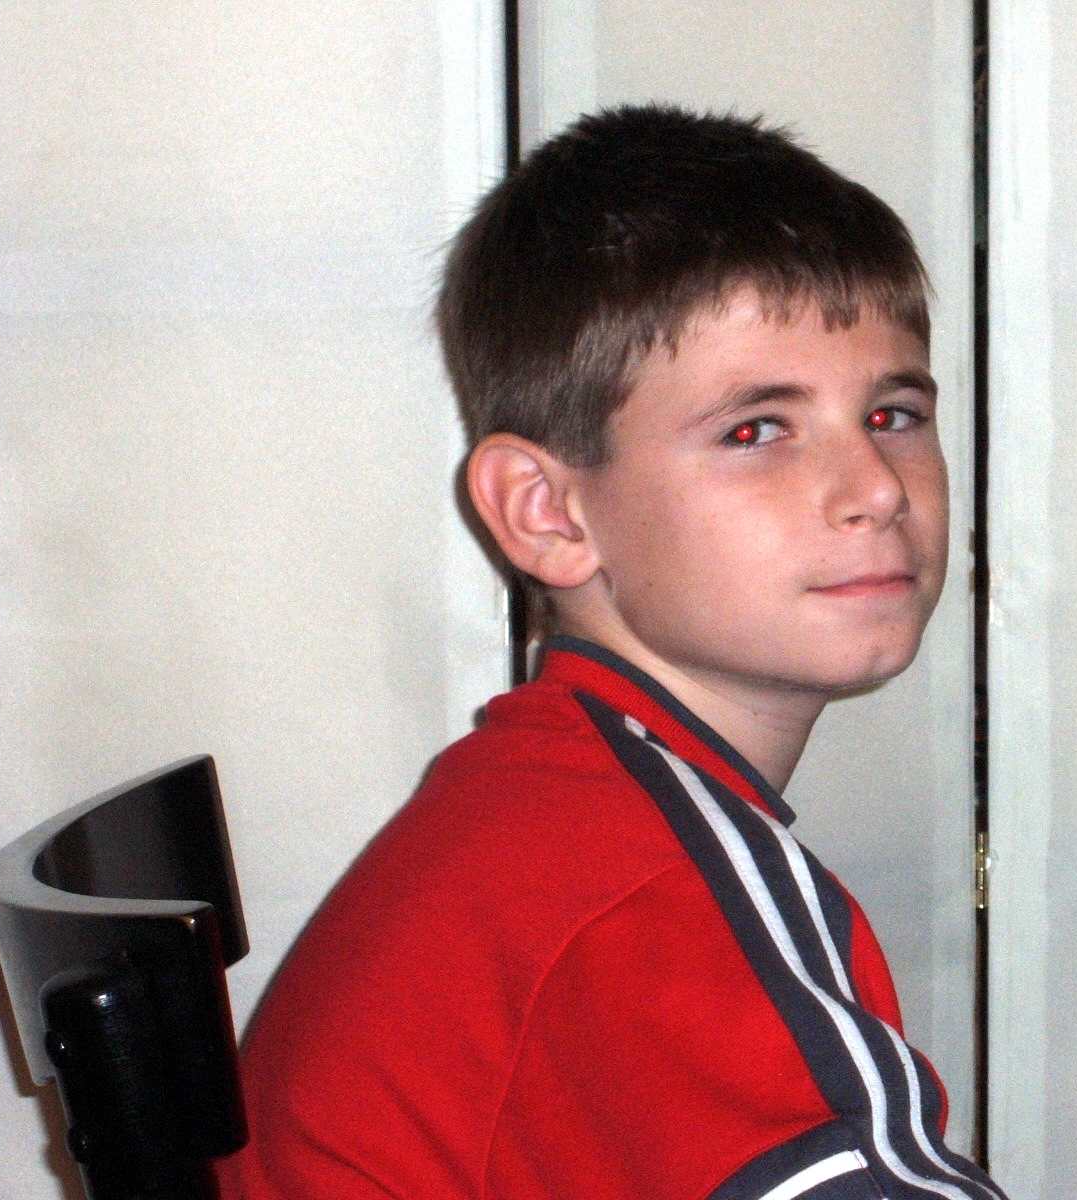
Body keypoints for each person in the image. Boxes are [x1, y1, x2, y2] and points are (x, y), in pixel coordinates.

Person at [218, 105, 1006, 1200]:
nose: (875, 489)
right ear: (547, 512)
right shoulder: (643, 903)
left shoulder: (554, 806)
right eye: (755, 430)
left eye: (894, 414)